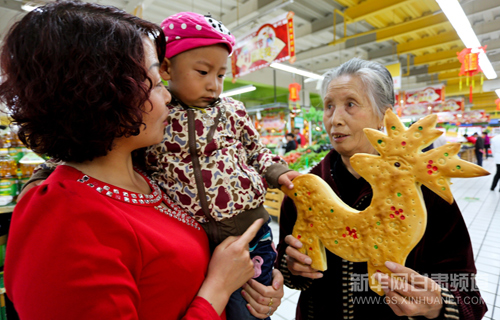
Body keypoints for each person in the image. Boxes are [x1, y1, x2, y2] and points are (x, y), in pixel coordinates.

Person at [0, 2, 284, 319]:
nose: (167, 97)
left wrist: (260, 278)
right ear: (101, 91)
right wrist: (218, 287)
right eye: (158, 81)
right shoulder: (64, 219)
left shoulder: (148, 176)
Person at [276, 58, 487, 319]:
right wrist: (292, 268)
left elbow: (466, 287)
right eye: (329, 106)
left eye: (350, 104)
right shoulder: (305, 192)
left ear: (384, 115)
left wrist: (440, 303)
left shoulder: (427, 194)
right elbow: (283, 266)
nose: (335, 119)